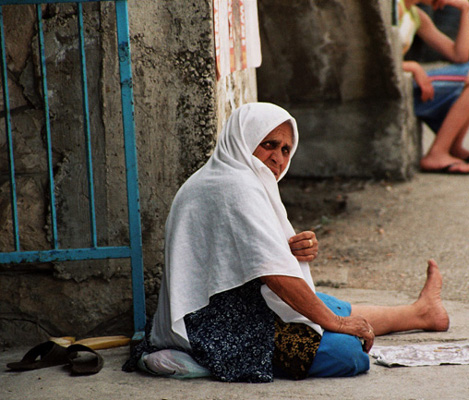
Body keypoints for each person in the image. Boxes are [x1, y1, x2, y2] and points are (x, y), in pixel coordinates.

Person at [124, 102, 449, 382]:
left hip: (237, 304)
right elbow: (274, 274)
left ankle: (421, 313)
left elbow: (254, 254)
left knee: (328, 308)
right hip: (215, 326)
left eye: (285, 150)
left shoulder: (232, 176)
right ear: (244, 139)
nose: (278, 157)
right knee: (349, 354)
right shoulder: (232, 185)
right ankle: (414, 315)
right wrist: (334, 324)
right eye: (268, 144)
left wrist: (296, 249)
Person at [397, 0, 469, 174]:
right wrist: (412, 67)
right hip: (397, 85)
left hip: (406, 80)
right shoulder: (395, 8)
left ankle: (454, 147)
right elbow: (374, 63)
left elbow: (459, 56)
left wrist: (465, 9)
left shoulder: (416, 15)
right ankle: (437, 154)